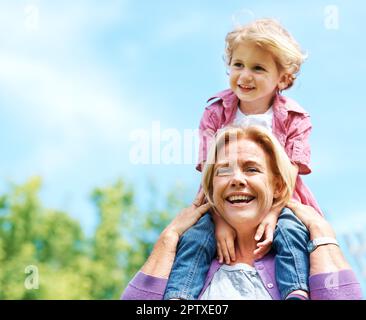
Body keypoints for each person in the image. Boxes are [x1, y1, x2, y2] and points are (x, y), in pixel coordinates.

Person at [164, 18, 320, 300]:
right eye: (238, 65)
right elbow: (211, 173)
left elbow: (291, 174)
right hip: (221, 200)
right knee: (196, 236)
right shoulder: (216, 112)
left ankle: (295, 291)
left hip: (280, 200)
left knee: (290, 231)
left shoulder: (296, 119)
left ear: (282, 78)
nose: (245, 76)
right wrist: (220, 220)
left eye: (258, 68)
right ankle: (180, 296)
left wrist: (273, 213)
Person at [122, 126, 362, 300]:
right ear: (211, 188)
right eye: (224, 171)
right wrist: (170, 236)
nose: (237, 179)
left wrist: (320, 230)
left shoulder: (298, 262)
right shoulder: (189, 266)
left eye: (251, 169)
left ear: (277, 186)